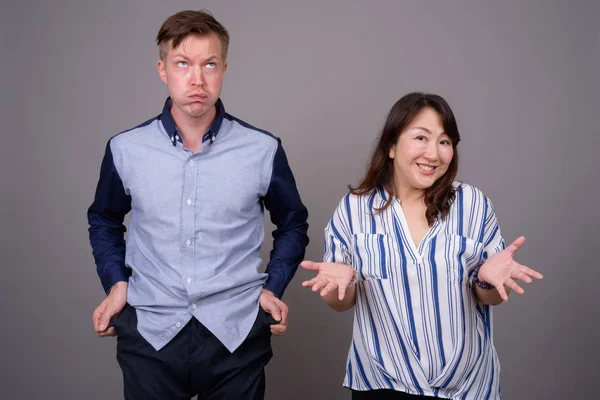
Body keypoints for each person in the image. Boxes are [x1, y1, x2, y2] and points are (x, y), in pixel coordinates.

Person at [88, 9, 309, 399]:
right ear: (162, 69)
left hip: (236, 332)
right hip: (150, 332)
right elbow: (104, 220)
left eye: (209, 64)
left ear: (224, 68)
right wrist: (116, 284)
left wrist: (274, 286)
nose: (197, 79)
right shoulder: (125, 149)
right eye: (183, 64)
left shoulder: (262, 149)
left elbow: (293, 224)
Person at [301, 92, 542, 399]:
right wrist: (342, 284)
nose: (434, 153)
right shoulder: (353, 210)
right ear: (391, 146)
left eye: (444, 142)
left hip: (467, 388)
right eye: (421, 138)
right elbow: (341, 302)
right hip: (383, 384)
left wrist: (487, 279)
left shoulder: (472, 205)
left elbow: (489, 296)